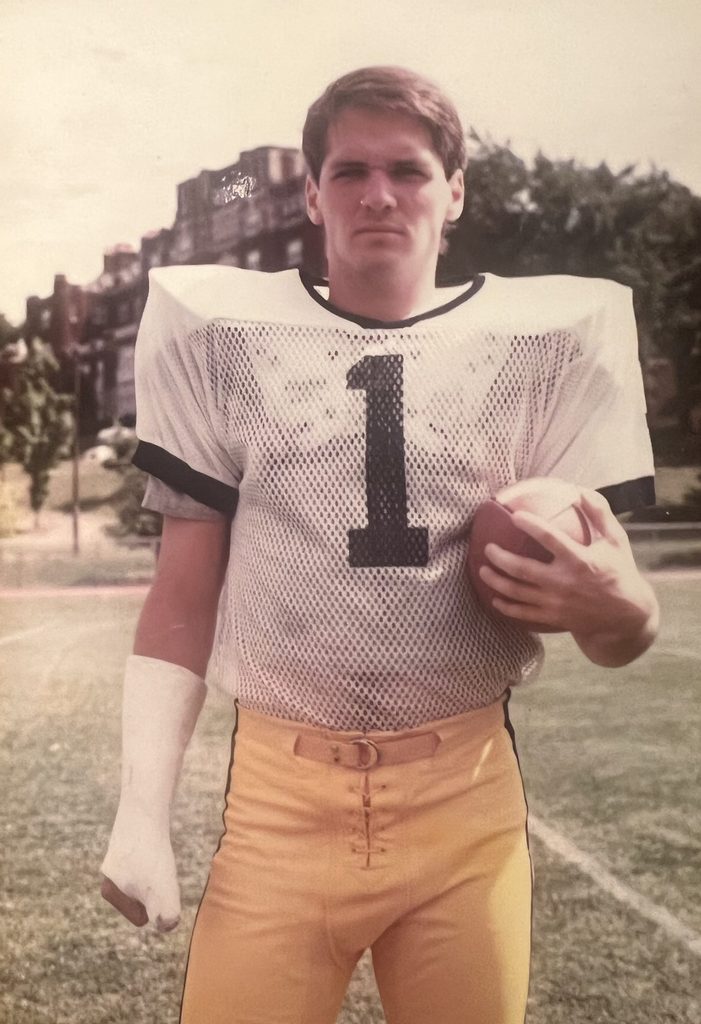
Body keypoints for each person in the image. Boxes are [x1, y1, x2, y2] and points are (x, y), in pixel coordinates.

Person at [101, 66, 659, 1024]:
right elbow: (182, 594)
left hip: (465, 809)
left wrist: (627, 609)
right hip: (279, 806)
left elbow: (616, 633)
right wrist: (141, 814)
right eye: (349, 170)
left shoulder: (541, 345)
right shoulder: (227, 338)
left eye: (407, 170)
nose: (378, 194)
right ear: (311, 195)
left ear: (455, 191)